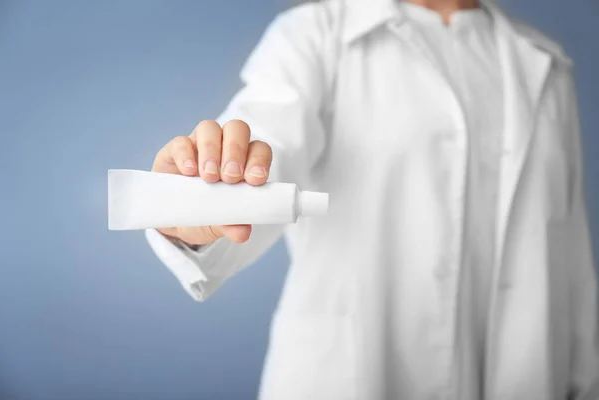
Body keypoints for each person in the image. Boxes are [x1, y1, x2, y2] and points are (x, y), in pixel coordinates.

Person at [145, 0, 599, 398]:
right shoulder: (315, 34)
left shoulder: (543, 63)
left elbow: (570, 256)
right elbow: (268, 146)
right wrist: (204, 197)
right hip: (351, 375)